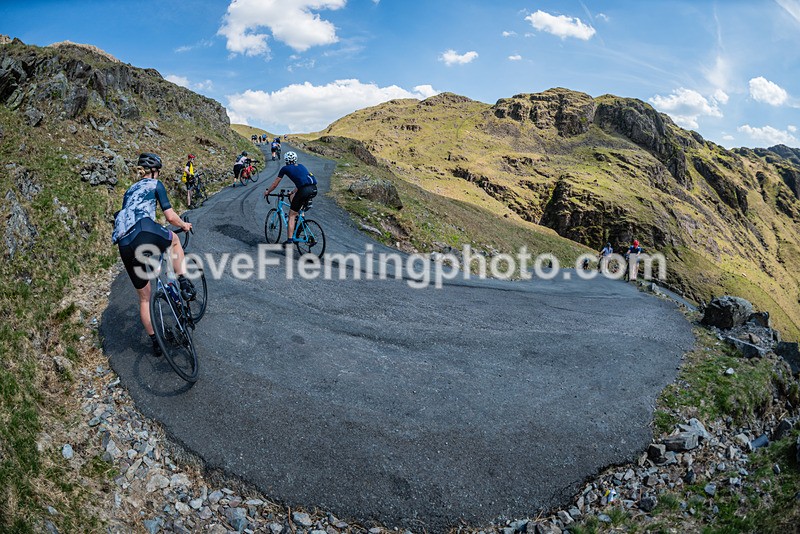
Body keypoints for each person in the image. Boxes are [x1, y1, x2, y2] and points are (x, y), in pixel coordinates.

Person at [111, 153, 194, 356]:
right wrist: (184, 225)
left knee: (145, 299)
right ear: (155, 171)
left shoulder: (129, 191)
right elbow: (170, 216)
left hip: (124, 243)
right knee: (174, 241)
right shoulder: (155, 184)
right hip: (144, 230)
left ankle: (156, 343)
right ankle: (183, 282)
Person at [263, 151, 318, 244]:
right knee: (298, 207)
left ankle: (289, 240)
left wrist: (268, 191)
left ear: (286, 160)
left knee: (291, 215)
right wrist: (292, 192)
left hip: (303, 191)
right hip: (313, 189)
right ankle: (300, 225)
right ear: (295, 159)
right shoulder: (301, 166)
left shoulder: (285, 168)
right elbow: (303, 182)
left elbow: (275, 184)